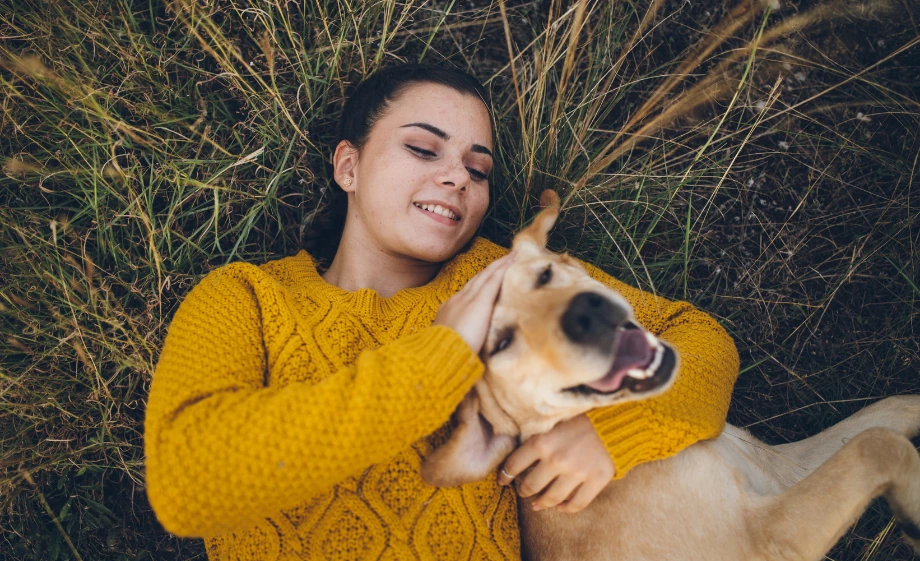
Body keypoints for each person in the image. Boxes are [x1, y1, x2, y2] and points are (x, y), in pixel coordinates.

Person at [144, 63, 740, 560]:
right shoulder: (245, 297)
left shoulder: (505, 279)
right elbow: (186, 486)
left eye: (478, 169)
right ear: (347, 166)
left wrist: (615, 434)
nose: (457, 176)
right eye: (423, 148)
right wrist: (443, 358)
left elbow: (698, 337)